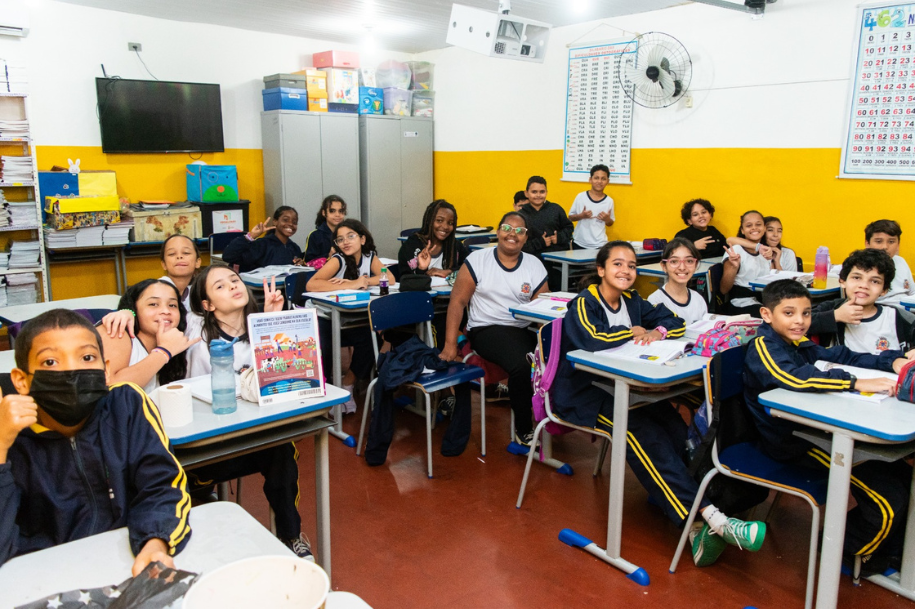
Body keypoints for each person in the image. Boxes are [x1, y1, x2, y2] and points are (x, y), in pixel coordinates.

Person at [553, 240, 765, 567]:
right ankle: (710, 520)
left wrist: (658, 329)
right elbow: (592, 339)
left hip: (626, 387)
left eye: (632, 266)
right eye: (617, 264)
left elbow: (675, 321)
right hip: (584, 395)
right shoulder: (586, 302)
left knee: (672, 425)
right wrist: (633, 331)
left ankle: (689, 507)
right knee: (640, 433)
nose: (626, 271)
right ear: (600, 270)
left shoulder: (634, 300)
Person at [0, 309, 191, 573]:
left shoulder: (125, 404)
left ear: (106, 370)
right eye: (51, 362)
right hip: (42, 575)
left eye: (87, 357)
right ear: (21, 381)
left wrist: (155, 542)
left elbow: (162, 483)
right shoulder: (9, 434)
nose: (72, 371)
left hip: (126, 559)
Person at [744, 279, 912, 572]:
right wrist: (857, 383)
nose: (800, 321)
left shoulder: (797, 342)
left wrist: (891, 361)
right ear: (766, 315)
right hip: (794, 442)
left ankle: (892, 549)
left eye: (807, 313)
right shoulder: (762, 346)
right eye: (789, 313)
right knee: (887, 499)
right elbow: (794, 378)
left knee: (902, 476)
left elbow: (840, 355)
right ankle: (846, 551)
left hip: (816, 431)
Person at [439, 212, 549, 446]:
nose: (513, 234)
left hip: (521, 328)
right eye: (507, 228)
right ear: (498, 232)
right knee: (523, 364)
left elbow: (544, 307)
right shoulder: (478, 260)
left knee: (552, 356)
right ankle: (523, 429)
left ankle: (551, 417)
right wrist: (450, 344)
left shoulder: (534, 264)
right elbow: (457, 302)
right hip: (485, 328)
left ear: (526, 237)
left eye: (520, 231)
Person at [306, 219, 381, 412]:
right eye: (340, 239)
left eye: (351, 236)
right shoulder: (337, 260)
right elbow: (312, 285)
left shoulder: (369, 256)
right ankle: (326, 397)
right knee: (324, 349)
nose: (345, 242)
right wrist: (352, 283)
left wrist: (363, 280)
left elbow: (387, 277)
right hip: (322, 318)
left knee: (372, 338)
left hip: (347, 319)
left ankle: (347, 384)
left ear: (362, 239)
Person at [100, 279, 201, 396]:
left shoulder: (178, 340)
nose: (165, 311)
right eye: (153, 304)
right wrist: (164, 352)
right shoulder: (117, 330)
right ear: (134, 309)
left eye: (172, 305)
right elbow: (111, 388)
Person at [809, 249, 914, 353]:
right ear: (842, 281)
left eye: (874, 281)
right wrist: (835, 316)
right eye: (857, 278)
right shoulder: (832, 309)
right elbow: (797, 323)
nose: (864, 285)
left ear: (884, 290)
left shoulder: (900, 318)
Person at [518, 176, 574, 291]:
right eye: (534, 192)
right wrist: (541, 243)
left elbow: (569, 228)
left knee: (557, 290)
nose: (538, 195)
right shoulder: (521, 215)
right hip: (532, 262)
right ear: (526, 193)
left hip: (556, 263)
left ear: (546, 193)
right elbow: (520, 244)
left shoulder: (556, 209)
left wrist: (558, 238)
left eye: (542, 192)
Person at [720, 210, 776, 318]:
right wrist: (733, 267)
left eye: (758, 224)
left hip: (762, 300)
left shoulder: (765, 252)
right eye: (749, 225)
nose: (754, 228)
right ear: (742, 230)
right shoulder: (735, 250)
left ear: (764, 228)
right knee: (772, 318)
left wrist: (774, 260)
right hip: (741, 303)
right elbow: (723, 289)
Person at [398, 199, 469, 278]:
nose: (445, 226)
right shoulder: (410, 246)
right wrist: (421, 269)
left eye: (450, 223)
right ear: (429, 221)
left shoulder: (454, 245)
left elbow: (472, 267)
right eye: (439, 220)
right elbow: (407, 282)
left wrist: (449, 272)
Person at [222, 206, 303, 272]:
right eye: (285, 220)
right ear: (275, 221)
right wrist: (250, 236)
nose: (290, 224)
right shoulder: (262, 244)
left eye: (294, 222)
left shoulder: (295, 248)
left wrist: (300, 265)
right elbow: (228, 256)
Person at [647, 238, 708, 325]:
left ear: (696, 265)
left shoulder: (698, 299)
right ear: (664, 266)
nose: (682, 267)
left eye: (689, 261)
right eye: (674, 261)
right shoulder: (656, 301)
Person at [865, 219, 915, 321]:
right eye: (878, 241)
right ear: (867, 244)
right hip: (881, 316)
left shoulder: (900, 261)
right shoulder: (862, 266)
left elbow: (913, 293)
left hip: (908, 314)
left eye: (891, 242)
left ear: (898, 244)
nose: (885, 247)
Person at [568, 164, 614, 250]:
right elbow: (570, 217)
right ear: (590, 180)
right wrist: (581, 216)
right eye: (596, 178)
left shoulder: (609, 201)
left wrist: (607, 219)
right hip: (579, 243)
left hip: (600, 245)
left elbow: (610, 223)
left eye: (603, 179)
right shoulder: (580, 197)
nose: (599, 181)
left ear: (608, 181)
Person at [159, 234, 201, 311]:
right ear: (164, 264)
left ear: (197, 262)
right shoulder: (153, 290)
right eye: (172, 254)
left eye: (186, 253)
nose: (179, 256)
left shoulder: (204, 290)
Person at [303, 195, 346, 264]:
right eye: (332, 211)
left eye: (341, 211)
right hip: (323, 273)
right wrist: (328, 256)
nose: (337, 215)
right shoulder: (315, 235)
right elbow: (308, 262)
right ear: (324, 213)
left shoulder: (349, 233)